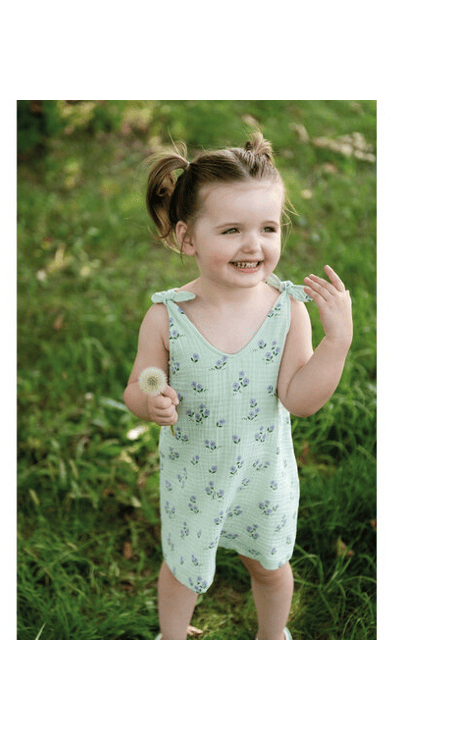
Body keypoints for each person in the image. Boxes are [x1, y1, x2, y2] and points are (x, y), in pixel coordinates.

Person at [123, 132, 353, 640]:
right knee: (182, 568)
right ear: (188, 238)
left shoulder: (287, 311)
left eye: (268, 228)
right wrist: (149, 401)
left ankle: (271, 638)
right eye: (231, 230)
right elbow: (137, 385)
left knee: (269, 567)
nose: (253, 245)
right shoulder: (167, 316)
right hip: (193, 478)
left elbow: (299, 400)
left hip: (262, 476)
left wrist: (336, 341)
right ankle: (171, 639)